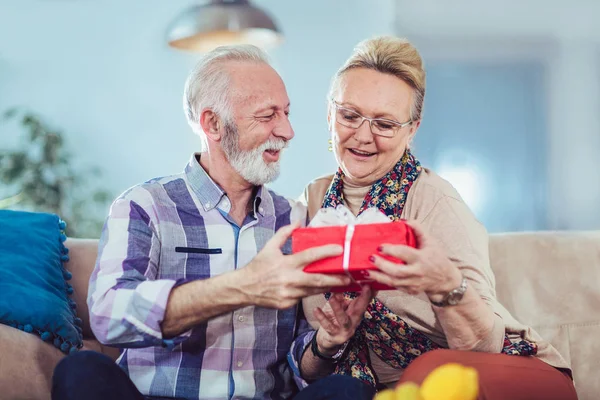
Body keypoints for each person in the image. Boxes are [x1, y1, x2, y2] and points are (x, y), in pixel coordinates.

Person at [51, 45, 376, 400]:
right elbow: (108, 316)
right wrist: (242, 286)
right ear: (213, 124)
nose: (287, 130)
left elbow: (297, 363)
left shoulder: (294, 220)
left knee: (348, 390)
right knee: (79, 371)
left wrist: (325, 345)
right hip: (158, 396)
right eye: (268, 115)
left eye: (286, 113)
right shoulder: (145, 206)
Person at [289, 36, 578, 400]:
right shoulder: (310, 203)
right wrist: (326, 344)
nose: (363, 136)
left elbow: (483, 346)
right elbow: (303, 361)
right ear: (330, 114)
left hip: (500, 376)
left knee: (430, 372)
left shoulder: (435, 203)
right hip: (382, 390)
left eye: (385, 124)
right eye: (350, 115)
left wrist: (446, 287)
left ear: (412, 129)